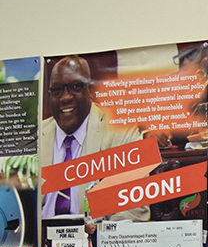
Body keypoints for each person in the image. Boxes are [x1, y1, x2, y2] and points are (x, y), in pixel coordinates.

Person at [39, 55, 147, 221]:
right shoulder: (36, 137)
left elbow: (133, 210)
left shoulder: (120, 131)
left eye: (75, 87)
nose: (65, 97)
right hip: (41, 235)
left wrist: (98, 236)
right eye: (57, 90)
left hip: (93, 234)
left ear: (89, 90)